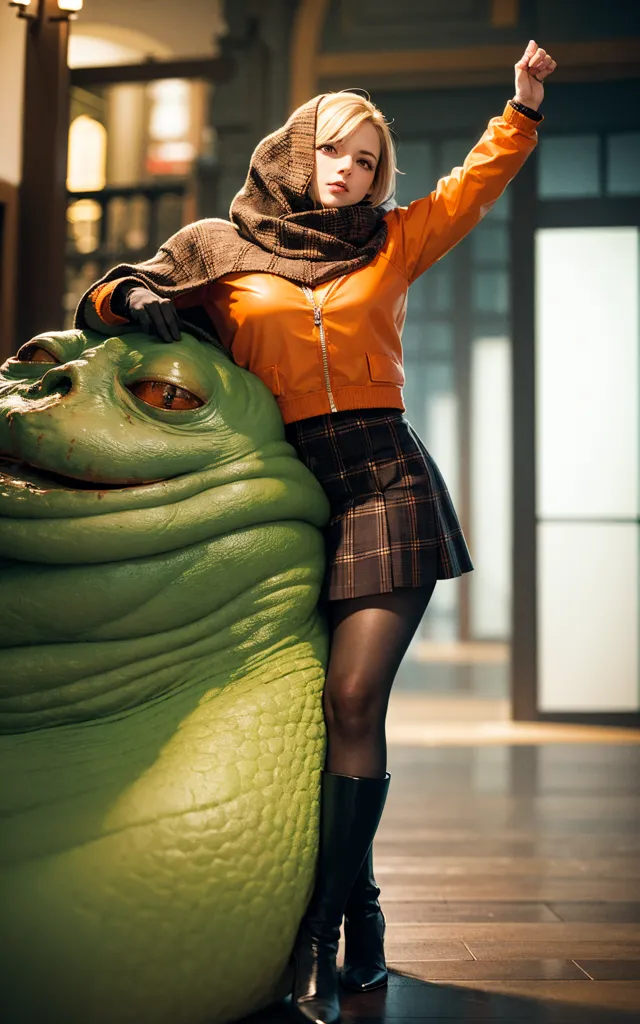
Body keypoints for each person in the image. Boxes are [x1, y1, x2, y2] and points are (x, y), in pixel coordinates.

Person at [78, 39, 556, 1024]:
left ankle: (317, 943)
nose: (349, 172)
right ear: (299, 153)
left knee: (350, 701)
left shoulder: (391, 239)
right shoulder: (219, 247)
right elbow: (109, 302)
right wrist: (130, 300)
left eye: (368, 161)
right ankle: (367, 914)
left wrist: (522, 106)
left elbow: (474, 186)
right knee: (313, 717)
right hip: (284, 495)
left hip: (385, 483)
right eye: (336, 153)